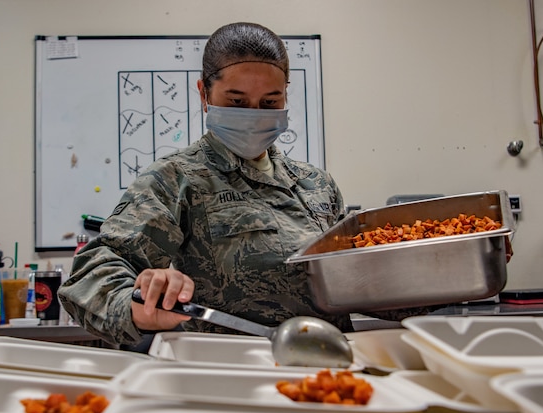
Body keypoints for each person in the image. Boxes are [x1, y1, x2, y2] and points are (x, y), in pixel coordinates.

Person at [59, 21, 353, 348]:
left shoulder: (317, 184)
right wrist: (140, 304)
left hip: (330, 370)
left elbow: (360, 277)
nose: (255, 115)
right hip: (227, 373)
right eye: (237, 102)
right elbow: (92, 273)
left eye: (270, 102)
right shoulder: (176, 179)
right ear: (204, 93)